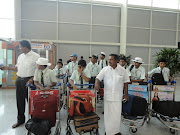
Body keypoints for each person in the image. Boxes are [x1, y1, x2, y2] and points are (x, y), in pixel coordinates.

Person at [1, 40, 40, 128]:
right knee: (19, 101)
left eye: (20, 47)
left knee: (31, 101)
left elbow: (39, 70)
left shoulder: (36, 56)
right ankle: (20, 120)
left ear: (25, 47)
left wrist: (32, 79)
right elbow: (17, 68)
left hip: (29, 81)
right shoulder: (20, 56)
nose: (20, 48)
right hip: (19, 80)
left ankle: (34, 120)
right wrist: (7, 68)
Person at [95, 54, 130, 135]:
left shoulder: (122, 70)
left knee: (116, 116)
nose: (109, 61)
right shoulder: (105, 69)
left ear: (116, 60)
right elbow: (98, 78)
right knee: (108, 116)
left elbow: (126, 82)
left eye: (111, 59)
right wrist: (97, 83)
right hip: (108, 97)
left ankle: (116, 132)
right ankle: (108, 132)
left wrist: (126, 95)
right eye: (109, 59)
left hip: (117, 97)